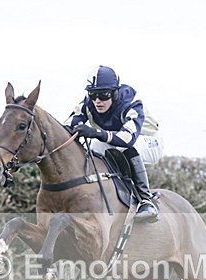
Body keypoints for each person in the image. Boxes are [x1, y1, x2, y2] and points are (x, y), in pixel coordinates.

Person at [63, 65, 163, 222]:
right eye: (93, 94)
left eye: (104, 95)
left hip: (148, 142)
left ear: (115, 93)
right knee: (94, 148)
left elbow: (128, 138)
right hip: (116, 141)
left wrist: (96, 132)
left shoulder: (130, 101)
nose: (97, 101)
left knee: (123, 146)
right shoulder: (89, 103)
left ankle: (146, 200)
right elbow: (66, 127)